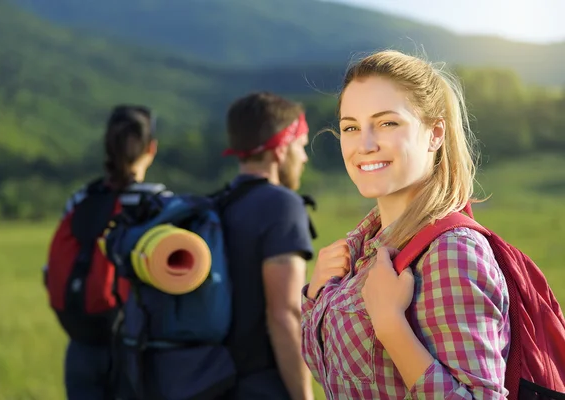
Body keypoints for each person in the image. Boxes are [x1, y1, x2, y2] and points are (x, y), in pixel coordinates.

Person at [301, 50, 511, 399]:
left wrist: (392, 327)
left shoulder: (451, 252)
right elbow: (336, 376)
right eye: (351, 127)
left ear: (435, 134)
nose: (365, 145)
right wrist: (316, 295)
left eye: (387, 123)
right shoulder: (363, 248)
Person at [43, 105, 172, 400]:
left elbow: (52, 272)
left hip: (81, 344)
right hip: (137, 348)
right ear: (151, 148)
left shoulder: (80, 199)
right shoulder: (158, 203)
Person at [219, 92, 316, 400]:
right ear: (281, 147)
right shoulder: (281, 205)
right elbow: (284, 314)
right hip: (262, 385)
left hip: (214, 381)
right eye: (300, 146)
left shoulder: (218, 203)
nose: (304, 157)